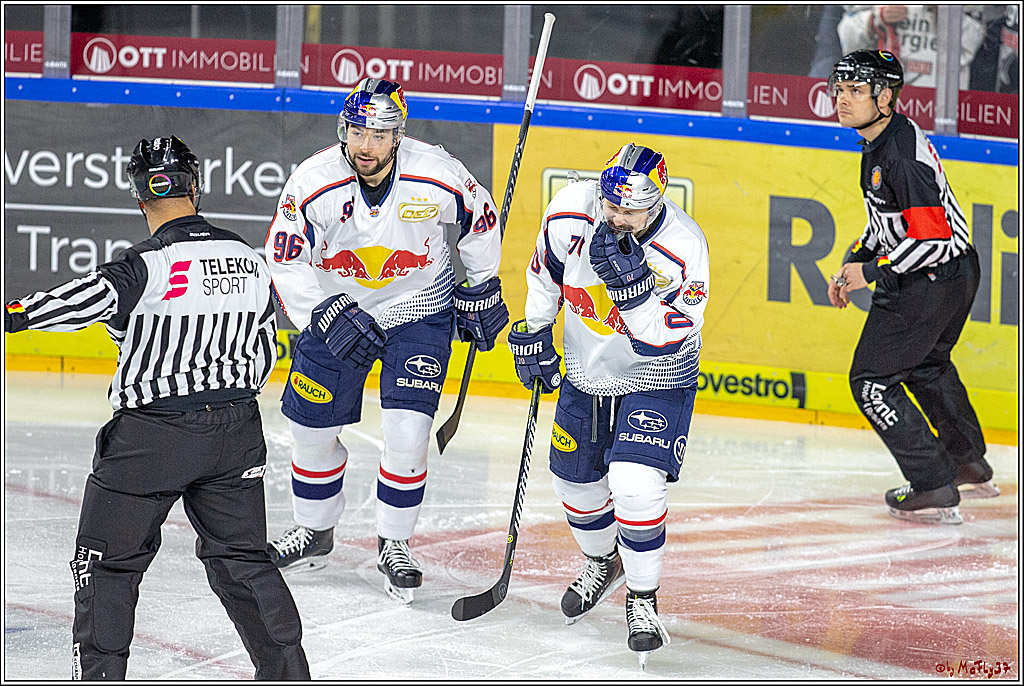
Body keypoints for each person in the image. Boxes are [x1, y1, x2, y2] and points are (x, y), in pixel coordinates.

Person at [4, 136, 310, 680]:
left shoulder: (144, 265)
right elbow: (266, 350)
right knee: (243, 562)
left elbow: (82, 298)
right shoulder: (250, 259)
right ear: (196, 187)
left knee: (106, 567)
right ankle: (288, 674)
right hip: (236, 432)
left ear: (139, 198)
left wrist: (16, 314)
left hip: (151, 439)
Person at [264, 77, 507, 605]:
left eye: (379, 134)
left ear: (398, 136)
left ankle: (394, 541)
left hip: (419, 308)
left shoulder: (437, 173)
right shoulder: (314, 180)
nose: (365, 145)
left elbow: (481, 221)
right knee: (310, 430)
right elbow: (284, 257)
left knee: (408, 432)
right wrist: (322, 313)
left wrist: (482, 284)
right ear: (343, 129)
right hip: (337, 310)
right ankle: (315, 530)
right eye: (357, 131)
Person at [507, 144, 709, 669]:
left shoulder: (685, 248)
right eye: (611, 204)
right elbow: (543, 274)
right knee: (572, 480)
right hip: (586, 366)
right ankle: (604, 561)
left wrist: (634, 289)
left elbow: (664, 338)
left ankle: (643, 598)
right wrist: (534, 332)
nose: (616, 217)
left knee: (635, 485)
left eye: (629, 210)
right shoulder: (571, 210)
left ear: (656, 202)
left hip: (658, 373)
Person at [826, 50, 999, 526]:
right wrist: (855, 259)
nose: (842, 100)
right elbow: (889, 223)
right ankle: (966, 461)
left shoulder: (899, 155)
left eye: (855, 90)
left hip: (934, 276)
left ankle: (932, 483)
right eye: (839, 89)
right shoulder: (884, 139)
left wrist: (873, 273)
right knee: (925, 363)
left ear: (885, 96)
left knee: (871, 381)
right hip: (956, 274)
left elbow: (934, 240)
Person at [837, 5, 984, 89]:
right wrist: (874, 20)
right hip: (879, 97)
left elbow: (972, 45)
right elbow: (847, 40)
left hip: (937, 107)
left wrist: (947, 13)